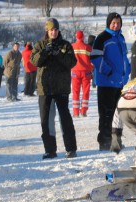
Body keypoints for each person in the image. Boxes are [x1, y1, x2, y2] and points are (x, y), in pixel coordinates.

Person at [30, 18, 78, 159]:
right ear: (47, 30)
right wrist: (46, 52)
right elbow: (34, 61)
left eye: (56, 30)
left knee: (65, 119)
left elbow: (72, 62)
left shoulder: (65, 45)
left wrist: (59, 54)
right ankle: (50, 150)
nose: (54, 32)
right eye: (51, 30)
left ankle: (71, 148)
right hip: (44, 89)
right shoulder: (40, 44)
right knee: (46, 120)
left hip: (61, 88)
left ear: (58, 30)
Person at [90, 12, 130, 151]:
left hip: (120, 83)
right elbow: (95, 57)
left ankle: (116, 141)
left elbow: (124, 57)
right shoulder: (102, 38)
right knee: (106, 114)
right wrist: (108, 71)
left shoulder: (121, 38)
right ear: (108, 23)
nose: (116, 25)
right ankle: (105, 141)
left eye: (118, 23)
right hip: (106, 82)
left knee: (118, 114)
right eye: (113, 22)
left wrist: (127, 70)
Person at [71, 30, 93, 117]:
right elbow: (92, 61)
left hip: (75, 72)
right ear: (83, 37)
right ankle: (84, 111)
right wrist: (91, 69)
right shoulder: (88, 47)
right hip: (86, 72)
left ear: (76, 37)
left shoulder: (72, 47)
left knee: (75, 92)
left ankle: (76, 112)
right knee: (85, 92)